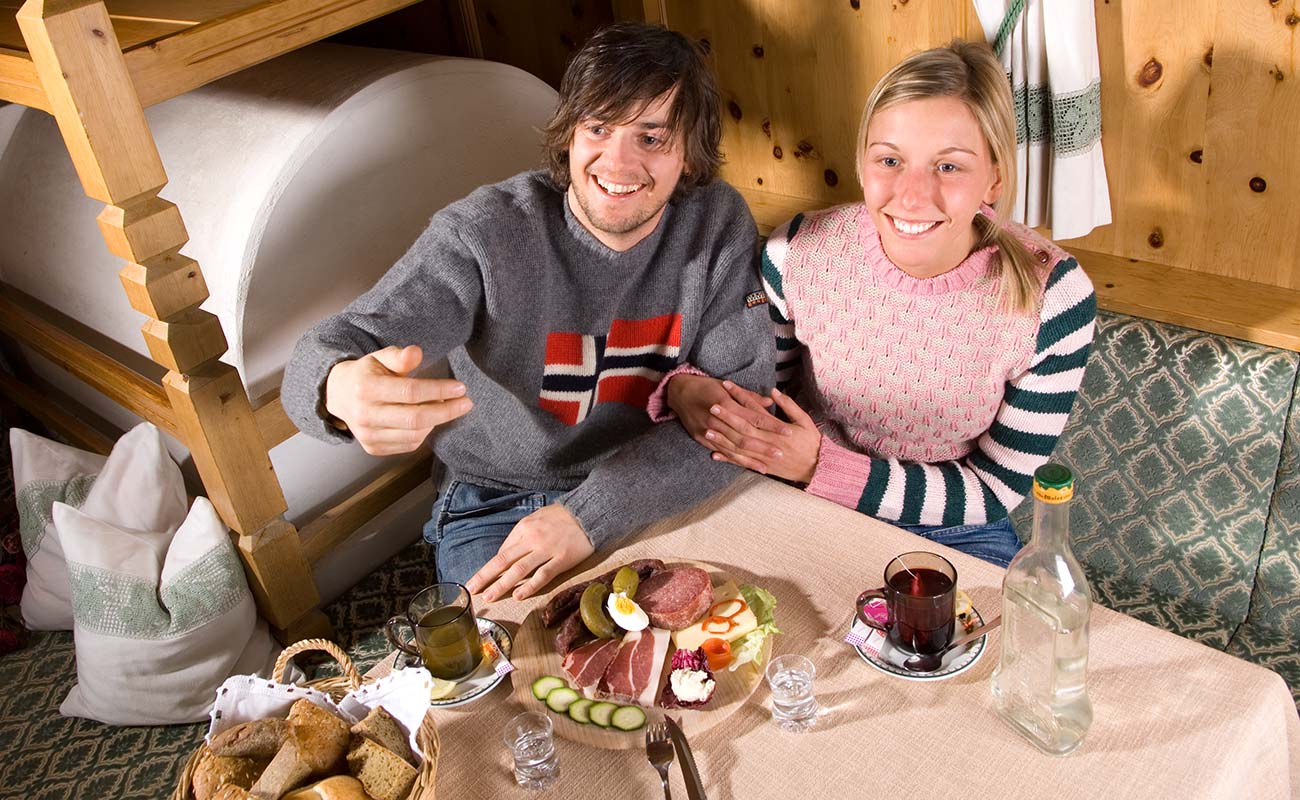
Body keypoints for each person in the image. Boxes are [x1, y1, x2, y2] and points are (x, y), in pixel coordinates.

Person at [281, 22, 773, 601]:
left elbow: (737, 416)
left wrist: (589, 515)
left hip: (645, 477)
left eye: (651, 138)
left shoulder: (716, 222)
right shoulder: (483, 232)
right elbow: (332, 348)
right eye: (598, 128)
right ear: (569, 135)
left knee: (717, 635)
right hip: (494, 498)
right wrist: (337, 389)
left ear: (688, 155)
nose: (617, 162)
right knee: (517, 673)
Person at [657, 40, 1096, 568]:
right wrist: (683, 385)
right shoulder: (796, 254)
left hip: (951, 530)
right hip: (795, 498)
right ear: (863, 164)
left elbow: (994, 490)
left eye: (950, 167)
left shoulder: (1055, 298)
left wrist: (822, 466)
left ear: (995, 177)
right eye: (891, 160)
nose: (912, 195)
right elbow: (753, 391)